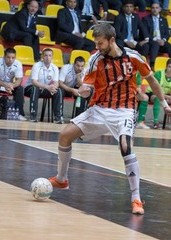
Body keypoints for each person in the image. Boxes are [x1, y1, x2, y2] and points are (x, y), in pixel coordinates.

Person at [47, 23, 171, 215]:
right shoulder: (96, 58)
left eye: (100, 43)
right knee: (65, 135)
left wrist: (164, 105)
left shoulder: (133, 57)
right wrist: (84, 90)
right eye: (96, 43)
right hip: (100, 108)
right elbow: (87, 85)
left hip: (125, 110)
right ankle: (61, 179)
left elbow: (152, 81)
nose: (97, 47)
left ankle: (136, 198)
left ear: (111, 40)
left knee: (125, 146)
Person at [24, 48, 63, 124]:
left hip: (45, 89)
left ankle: (58, 117)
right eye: (45, 55)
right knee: (35, 88)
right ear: (42, 56)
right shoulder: (37, 66)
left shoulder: (55, 68)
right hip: (30, 88)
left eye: (49, 55)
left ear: (52, 57)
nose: (48, 58)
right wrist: (48, 87)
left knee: (58, 91)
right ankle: (33, 116)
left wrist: (53, 88)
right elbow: (34, 82)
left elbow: (56, 83)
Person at [0, 48, 27, 121]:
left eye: (13, 58)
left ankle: (19, 113)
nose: (11, 60)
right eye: (8, 57)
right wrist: (5, 85)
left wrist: (12, 86)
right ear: (4, 56)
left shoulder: (18, 64)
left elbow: (19, 80)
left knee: (20, 88)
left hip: (10, 85)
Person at [137, 58, 171, 129]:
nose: (170, 69)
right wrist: (167, 97)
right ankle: (156, 122)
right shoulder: (159, 73)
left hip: (165, 96)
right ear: (166, 67)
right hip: (152, 93)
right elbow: (156, 90)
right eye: (169, 67)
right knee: (157, 98)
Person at [143, 2, 171, 70]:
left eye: (156, 8)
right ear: (150, 9)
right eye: (153, 8)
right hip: (151, 41)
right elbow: (145, 33)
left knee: (169, 46)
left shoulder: (164, 20)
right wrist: (155, 39)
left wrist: (163, 40)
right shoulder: (146, 19)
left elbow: (167, 34)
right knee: (155, 44)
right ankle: (152, 64)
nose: (154, 10)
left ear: (160, 9)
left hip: (162, 42)